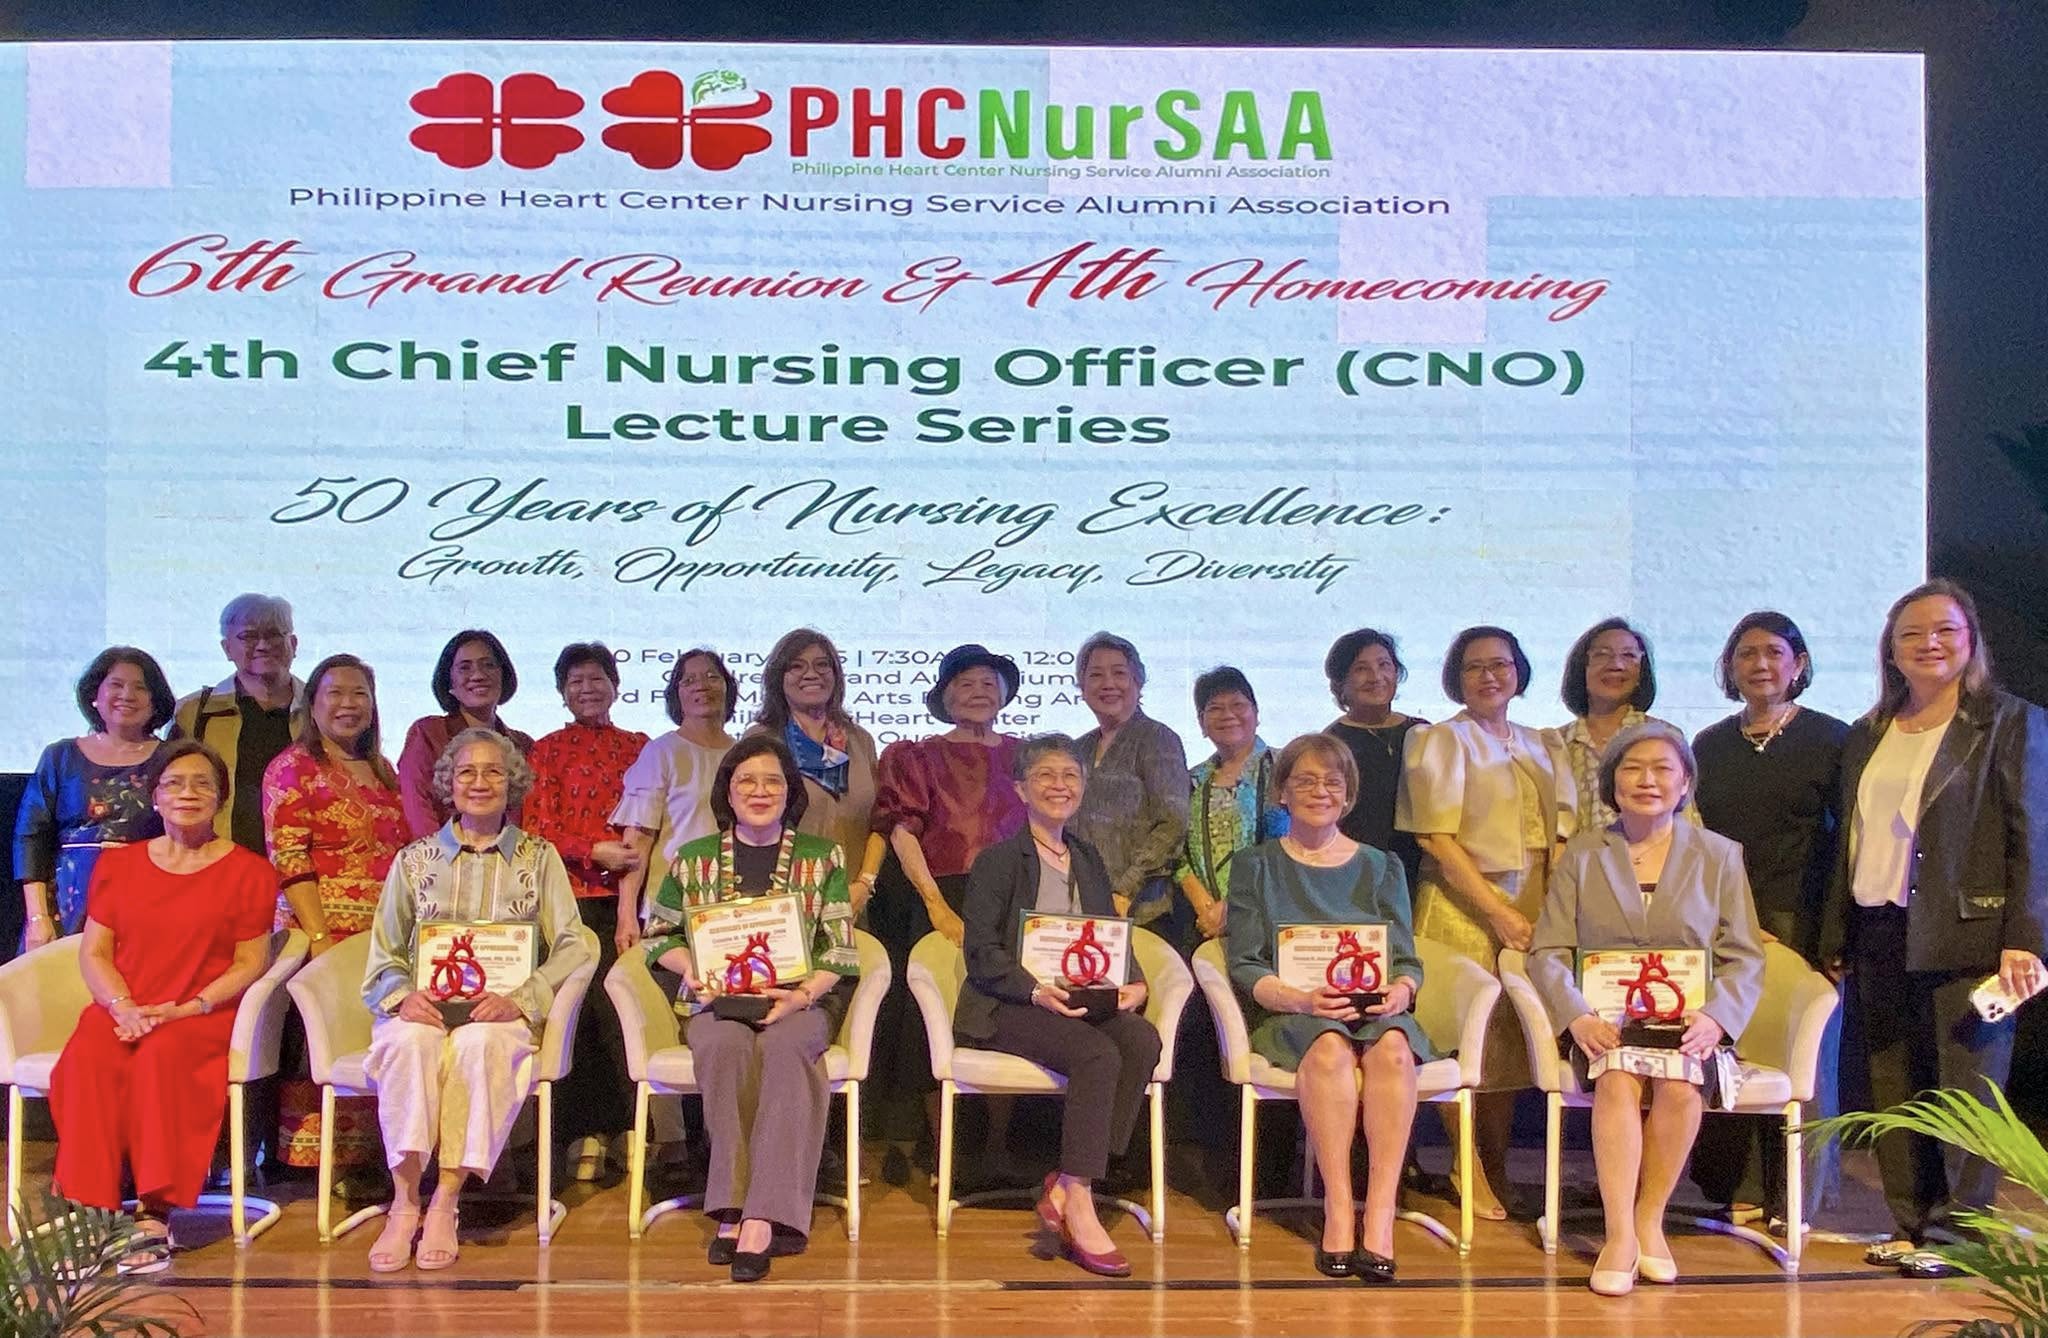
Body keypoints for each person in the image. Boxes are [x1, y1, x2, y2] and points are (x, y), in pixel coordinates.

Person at [1818, 579, 2048, 1278]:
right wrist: (1835, 935)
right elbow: (1849, 838)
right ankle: (1911, 1222)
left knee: (1966, 1091)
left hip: (1970, 934)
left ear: (1970, 640)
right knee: (1895, 1083)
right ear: (1890, 649)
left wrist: (2025, 938)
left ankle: (1961, 1237)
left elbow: (2033, 837)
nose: (1929, 644)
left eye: (1945, 630)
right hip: (1879, 928)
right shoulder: (1869, 732)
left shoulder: (2009, 722)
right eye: (1911, 634)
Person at [1528, 721, 1764, 1296]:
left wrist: (1717, 1018)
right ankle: (1618, 1236)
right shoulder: (1584, 854)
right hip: (1604, 1024)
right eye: (1632, 769)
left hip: (1690, 1025)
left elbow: (1744, 956)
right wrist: (1576, 1016)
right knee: (1617, 1079)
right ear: (1613, 783)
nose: (1647, 780)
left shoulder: (1720, 855)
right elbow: (1548, 950)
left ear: (1685, 783)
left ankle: (1649, 1220)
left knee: (1680, 1086)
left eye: (1663, 769)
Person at [359, 729, 594, 1273]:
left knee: (479, 1044)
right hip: (427, 1008)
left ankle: (445, 1201)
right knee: (408, 1044)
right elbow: (384, 953)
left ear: (512, 783)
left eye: (493, 772)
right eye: (467, 771)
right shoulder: (414, 860)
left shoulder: (539, 857)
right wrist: (402, 997)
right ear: (449, 783)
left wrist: (523, 998)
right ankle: (404, 1202)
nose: (480, 782)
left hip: (496, 1012)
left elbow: (574, 943)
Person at [48, 740, 277, 1275]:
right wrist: (122, 1006)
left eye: (202, 783)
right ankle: (93, 1212)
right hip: (123, 1008)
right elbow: (94, 953)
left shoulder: (250, 872)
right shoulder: (120, 864)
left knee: (161, 1058)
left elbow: (250, 962)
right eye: (173, 783)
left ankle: (154, 1212)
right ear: (154, 796)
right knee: (87, 1061)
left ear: (220, 797)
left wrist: (189, 1007)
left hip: (200, 1014)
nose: (187, 793)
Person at [642, 735, 861, 1283]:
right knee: (724, 1046)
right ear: (728, 792)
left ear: (790, 793)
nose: (760, 792)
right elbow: (659, 936)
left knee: (785, 1050)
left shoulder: (822, 857)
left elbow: (839, 948)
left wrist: (803, 995)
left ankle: (763, 1215)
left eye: (772, 782)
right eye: (747, 781)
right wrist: (692, 969)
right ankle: (731, 1203)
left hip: (801, 999)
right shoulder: (693, 858)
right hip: (717, 1001)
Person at [1227, 733, 1431, 1281]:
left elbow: (1407, 961)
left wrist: (1401, 991)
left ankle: (1380, 1214)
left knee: (1393, 1050)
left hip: (1374, 1009)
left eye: (1332, 782)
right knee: (1329, 1051)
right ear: (1282, 793)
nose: (1320, 791)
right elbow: (1245, 964)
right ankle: (1339, 1208)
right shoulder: (1254, 866)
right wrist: (1301, 998)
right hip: (1295, 1012)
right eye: (1306, 781)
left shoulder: (1382, 866)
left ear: (1348, 795)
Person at [957, 733, 1158, 1278]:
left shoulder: (1088, 858)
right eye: (1045, 775)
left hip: (1076, 996)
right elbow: (981, 953)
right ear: (1022, 789)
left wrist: (1134, 983)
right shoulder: (997, 861)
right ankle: (1082, 1204)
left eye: (1070, 775)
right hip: (1009, 1002)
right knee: (1097, 1053)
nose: (1059, 785)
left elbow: (1108, 936)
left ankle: (1069, 1183)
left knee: (1141, 1038)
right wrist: (1035, 990)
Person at [1396, 625, 1572, 1219]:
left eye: (1501, 664)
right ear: (1457, 676)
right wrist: (1496, 911)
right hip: (1462, 905)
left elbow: (1562, 832)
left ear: (1519, 671)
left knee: (1512, 1044)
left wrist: (1553, 907)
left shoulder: (1543, 742)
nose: (1489, 676)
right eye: (1475, 666)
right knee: (1465, 1034)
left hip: (1534, 906)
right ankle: (1464, 1165)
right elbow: (1435, 837)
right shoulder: (1439, 741)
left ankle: (1494, 1165)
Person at [1689, 611, 1850, 1227]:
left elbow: (1848, 844)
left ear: (1798, 664)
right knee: (1732, 1051)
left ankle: (1794, 1198)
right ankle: (1736, 1186)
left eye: (1774, 653)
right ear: (1730, 667)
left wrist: (1836, 935)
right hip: (1724, 923)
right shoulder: (1709, 746)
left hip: (1804, 922)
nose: (1760, 665)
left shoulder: (1833, 740)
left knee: (1802, 1059)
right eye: (1746, 654)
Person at [868, 644, 1028, 1149]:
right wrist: (935, 904)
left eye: (988, 683)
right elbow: (902, 831)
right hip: (943, 895)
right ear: (944, 697)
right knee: (932, 1018)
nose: (978, 692)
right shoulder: (918, 756)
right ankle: (944, 1149)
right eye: (965, 684)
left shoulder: (1026, 756)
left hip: (1014, 899)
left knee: (1007, 1014)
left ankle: (997, 1148)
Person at [262, 653, 410, 1173]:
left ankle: (374, 1161)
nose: (349, 704)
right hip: (321, 932)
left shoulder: (383, 770)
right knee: (322, 1045)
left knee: (375, 1044)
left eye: (359, 694)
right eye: (336, 693)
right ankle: (318, 1167)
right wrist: (321, 940)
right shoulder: (293, 767)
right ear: (312, 703)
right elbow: (289, 857)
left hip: (380, 938)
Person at [523, 642, 650, 1183]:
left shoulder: (641, 746)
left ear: (616, 686)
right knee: (577, 1016)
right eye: (575, 681)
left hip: (630, 901)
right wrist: (592, 850)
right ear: (561, 693)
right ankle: (582, 1133)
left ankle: (631, 1130)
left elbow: (651, 817)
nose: (587, 689)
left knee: (623, 1015)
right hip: (568, 900)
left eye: (597, 678)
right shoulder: (546, 750)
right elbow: (536, 828)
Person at [17, 647, 175, 948]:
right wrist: (38, 917)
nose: (127, 695)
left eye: (140, 687)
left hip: (146, 905)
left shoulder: (173, 758)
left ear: (155, 701)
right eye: (116, 685)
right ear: (94, 695)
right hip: (65, 906)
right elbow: (31, 837)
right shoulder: (60, 756)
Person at [610, 649, 740, 956]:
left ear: (728, 687)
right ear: (676, 695)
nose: (702, 685)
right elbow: (638, 841)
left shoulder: (744, 753)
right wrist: (626, 914)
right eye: (689, 680)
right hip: (671, 906)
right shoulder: (661, 752)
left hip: (733, 906)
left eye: (712, 676)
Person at [745, 628, 885, 901]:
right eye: (796, 666)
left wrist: (864, 884)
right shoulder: (762, 740)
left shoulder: (860, 741)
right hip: (781, 899)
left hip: (853, 898)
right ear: (778, 678)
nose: (811, 674)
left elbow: (879, 823)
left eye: (822, 665)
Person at [1069, 633, 1190, 936]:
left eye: (1119, 673)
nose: (1108, 683)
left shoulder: (1158, 738)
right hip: (1079, 909)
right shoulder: (1077, 749)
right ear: (1082, 686)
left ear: (1138, 681)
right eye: (1095, 675)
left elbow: (1173, 823)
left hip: (1140, 913)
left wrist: (1124, 889)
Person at [171, 593, 305, 854]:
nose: (263, 645)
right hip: (216, 860)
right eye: (249, 636)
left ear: (293, 643)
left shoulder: (319, 709)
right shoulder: (195, 712)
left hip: (304, 864)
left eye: (274, 634)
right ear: (227, 648)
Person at [1176, 666, 1288, 941]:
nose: (1227, 715)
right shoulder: (1189, 781)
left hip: (1273, 922)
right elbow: (1176, 851)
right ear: (1201, 722)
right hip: (1205, 926)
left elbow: (1287, 846)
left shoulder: (1286, 767)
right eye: (1215, 708)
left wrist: (1234, 907)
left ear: (1256, 714)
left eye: (1238, 705)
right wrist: (1206, 908)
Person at [1551, 617, 1693, 831]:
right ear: (1582, 668)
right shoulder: (1554, 744)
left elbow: (1685, 819)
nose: (1616, 665)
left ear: (1641, 673)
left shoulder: (1665, 737)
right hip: (1574, 853)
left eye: (1628, 656)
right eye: (1602, 655)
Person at [397, 630, 534, 840]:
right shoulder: (428, 733)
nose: (478, 675)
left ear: (503, 675)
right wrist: (441, 854)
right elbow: (417, 807)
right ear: (449, 681)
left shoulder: (523, 745)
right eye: (465, 667)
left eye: (488, 665)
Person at [1323, 629, 1427, 891]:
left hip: (1422, 872)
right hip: (1356, 876)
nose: (1376, 676)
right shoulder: (1331, 743)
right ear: (1341, 683)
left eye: (1384, 665)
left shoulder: (1423, 732)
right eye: (1361, 669)